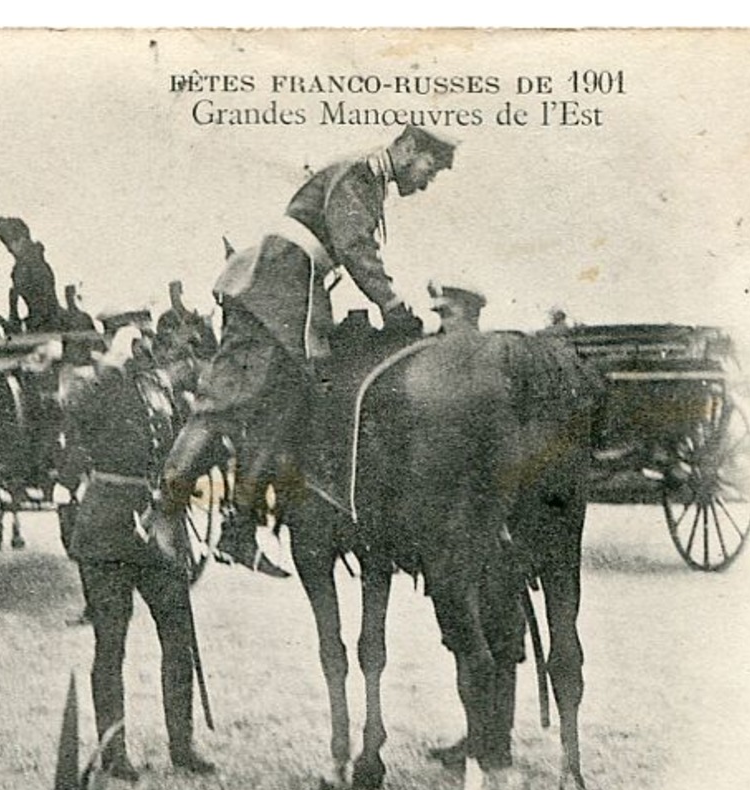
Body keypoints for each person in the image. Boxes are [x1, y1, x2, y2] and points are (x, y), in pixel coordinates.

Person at [148, 125, 456, 575]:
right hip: (272, 291)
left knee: (282, 407)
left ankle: (239, 527)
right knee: (223, 405)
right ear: (407, 147)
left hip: (293, 294)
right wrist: (392, 306)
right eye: (430, 166)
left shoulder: (369, 182)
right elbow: (354, 247)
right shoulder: (360, 175)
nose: (428, 180)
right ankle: (163, 511)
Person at [61, 311, 215, 779]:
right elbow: (75, 413)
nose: (144, 344)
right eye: (134, 337)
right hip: (106, 527)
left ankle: (182, 745)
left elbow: (187, 445)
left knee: (178, 634)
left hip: (157, 526)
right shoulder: (94, 383)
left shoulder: (160, 390)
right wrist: (111, 362)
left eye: (146, 336)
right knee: (111, 643)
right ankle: (114, 753)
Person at [0, 215, 62, 333]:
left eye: (11, 243)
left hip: (46, 324)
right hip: (37, 321)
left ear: (23, 240)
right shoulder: (22, 267)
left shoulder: (33, 265)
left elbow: (45, 302)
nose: (9, 249)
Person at [153, 279, 218, 367]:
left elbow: (210, 350)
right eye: (172, 292)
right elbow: (161, 346)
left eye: (176, 292)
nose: (174, 297)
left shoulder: (198, 320)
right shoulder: (166, 318)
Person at [59, 284, 102, 363]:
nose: (69, 298)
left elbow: (94, 337)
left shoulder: (83, 316)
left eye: (70, 295)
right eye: (68, 295)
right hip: (73, 357)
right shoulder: (63, 317)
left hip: (80, 356)